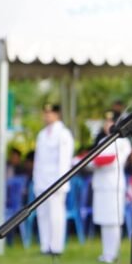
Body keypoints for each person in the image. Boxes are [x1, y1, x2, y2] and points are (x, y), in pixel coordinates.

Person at [90, 110, 132, 263]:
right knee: (103, 219)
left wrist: (95, 162)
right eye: (106, 122)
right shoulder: (102, 142)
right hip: (100, 184)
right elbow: (91, 160)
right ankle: (106, 252)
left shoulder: (123, 142)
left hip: (113, 185)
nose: (108, 125)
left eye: (111, 122)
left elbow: (113, 161)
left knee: (113, 220)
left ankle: (113, 252)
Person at [33, 104, 74, 255]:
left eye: (50, 113)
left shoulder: (63, 134)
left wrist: (61, 182)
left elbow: (64, 160)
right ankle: (45, 245)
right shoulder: (42, 134)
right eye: (45, 113)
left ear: (57, 115)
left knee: (56, 214)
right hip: (42, 180)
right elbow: (38, 160)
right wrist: (36, 180)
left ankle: (56, 247)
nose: (47, 116)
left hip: (56, 180)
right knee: (43, 214)